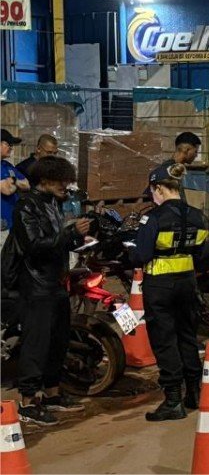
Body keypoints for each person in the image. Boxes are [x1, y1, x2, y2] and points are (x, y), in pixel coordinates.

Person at [11, 156, 90, 425]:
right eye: (61, 182)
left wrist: (80, 237)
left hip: (55, 283)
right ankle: (29, 403)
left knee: (58, 341)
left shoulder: (53, 204)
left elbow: (56, 243)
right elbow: (33, 245)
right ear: (45, 179)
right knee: (37, 343)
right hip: (35, 285)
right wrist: (69, 234)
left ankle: (53, 394)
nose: (65, 187)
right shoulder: (26, 206)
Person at [129, 163, 208, 421]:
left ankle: (173, 400)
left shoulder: (153, 218)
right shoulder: (198, 216)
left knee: (165, 341)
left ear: (159, 188)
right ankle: (194, 393)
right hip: (187, 283)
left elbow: (141, 254)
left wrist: (128, 252)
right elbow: (199, 252)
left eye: (153, 191)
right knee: (187, 336)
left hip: (160, 286)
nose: (152, 196)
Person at [143, 132, 202, 199]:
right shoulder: (169, 172)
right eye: (195, 152)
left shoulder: (165, 169)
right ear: (186, 150)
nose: (196, 155)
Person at [2, 129, 29, 248]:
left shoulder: (7, 166)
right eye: (8, 144)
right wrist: (15, 185)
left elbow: (26, 185)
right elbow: (6, 190)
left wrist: (13, 181)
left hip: (12, 226)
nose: (11, 148)